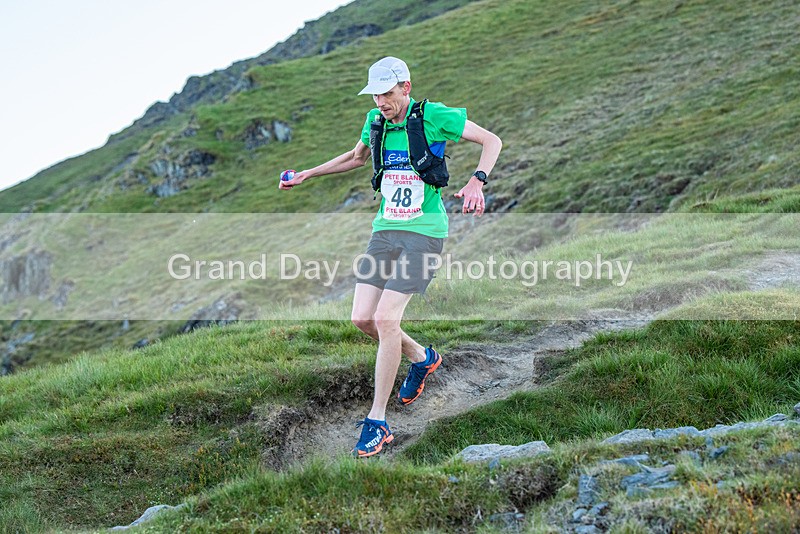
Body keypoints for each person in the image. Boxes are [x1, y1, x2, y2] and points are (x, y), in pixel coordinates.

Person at [279, 56, 502, 457]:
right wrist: (307, 174)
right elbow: (356, 158)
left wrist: (477, 181)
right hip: (385, 231)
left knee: (386, 319)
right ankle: (422, 358)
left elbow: (492, 141)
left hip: (424, 233)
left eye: (386, 93)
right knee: (362, 319)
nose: (380, 102)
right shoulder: (375, 120)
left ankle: (378, 421)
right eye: (375, 95)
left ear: (406, 88)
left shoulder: (433, 116)